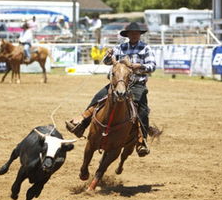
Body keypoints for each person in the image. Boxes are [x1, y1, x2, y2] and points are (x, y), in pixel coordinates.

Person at [66, 22, 162, 157]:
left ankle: (141, 140)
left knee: (143, 111)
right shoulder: (120, 47)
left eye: (137, 33)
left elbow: (152, 66)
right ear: (127, 35)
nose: (134, 35)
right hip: (117, 83)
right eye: (132, 33)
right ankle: (82, 123)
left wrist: (137, 66)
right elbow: (106, 62)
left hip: (137, 84)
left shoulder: (145, 49)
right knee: (98, 97)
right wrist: (108, 55)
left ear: (140, 35)